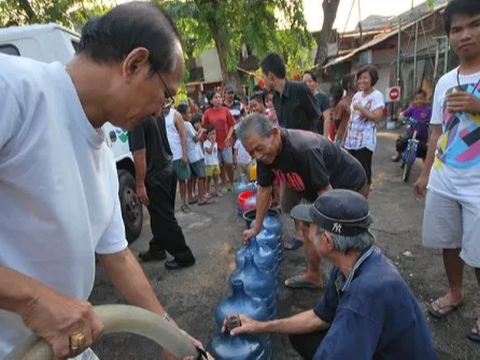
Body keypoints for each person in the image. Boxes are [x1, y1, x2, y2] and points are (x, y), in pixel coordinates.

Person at [0, 3, 202, 360]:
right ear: (135, 64)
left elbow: (118, 256)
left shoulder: (104, 159)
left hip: (65, 348)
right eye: (166, 94)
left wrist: (168, 331)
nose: (160, 110)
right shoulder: (13, 89)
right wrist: (32, 300)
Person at [225, 190, 437, 360]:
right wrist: (259, 326)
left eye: (309, 226)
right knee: (303, 337)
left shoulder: (364, 294)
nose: (304, 230)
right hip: (376, 343)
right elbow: (319, 318)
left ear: (327, 240)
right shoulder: (352, 262)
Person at [413, 0, 480, 343]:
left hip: (478, 184)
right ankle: (455, 292)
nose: (465, 35)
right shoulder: (443, 81)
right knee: (448, 242)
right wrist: (425, 175)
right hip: (444, 175)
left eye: (474, 25)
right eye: (457, 29)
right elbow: (436, 132)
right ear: (449, 37)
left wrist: (477, 106)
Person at [237, 114, 367, 289]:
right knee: (308, 228)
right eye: (251, 152)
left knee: (341, 236)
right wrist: (256, 228)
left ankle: (356, 282)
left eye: (258, 149)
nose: (257, 156)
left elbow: (327, 196)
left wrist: (328, 229)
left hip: (347, 184)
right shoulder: (265, 156)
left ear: (274, 133)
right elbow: (264, 189)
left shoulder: (303, 149)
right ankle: (314, 276)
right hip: (319, 188)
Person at [260, 52, 321, 250]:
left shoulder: (300, 90)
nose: (262, 80)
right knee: (291, 201)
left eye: (263, 75)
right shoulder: (276, 98)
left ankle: (316, 238)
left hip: (306, 153)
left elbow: (316, 116)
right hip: (288, 156)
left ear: (270, 75)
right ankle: (299, 235)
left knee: (312, 199)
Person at [130, 108, 196, 271]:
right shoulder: (155, 113)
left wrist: (139, 184)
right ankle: (157, 247)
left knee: (164, 218)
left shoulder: (135, 119)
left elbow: (139, 153)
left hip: (156, 176)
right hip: (167, 170)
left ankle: (184, 255)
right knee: (160, 216)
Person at [343, 65, 385, 198]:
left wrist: (361, 108)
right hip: (351, 141)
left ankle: (362, 202)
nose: (362, 81)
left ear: (372, 79)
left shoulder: (376, 95)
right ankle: (353, 197)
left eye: (365, 78)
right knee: (351, 170)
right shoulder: (356, 96)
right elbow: (351, 120)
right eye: (359, 78)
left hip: (365, 142)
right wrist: (344, 139)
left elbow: (377, 118)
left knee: (364, 172)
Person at [178, 106, 211, 207]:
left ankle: (191, 197)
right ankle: (202, 197)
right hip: (195, 155)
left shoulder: (179, 124)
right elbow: (196, 138)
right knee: (201, 176)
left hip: (189, 155)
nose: (190, 115)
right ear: (183, 114)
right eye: (188, 113)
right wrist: (201, 131)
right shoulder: (187, 124)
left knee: (192, 176)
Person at [203, 91, 236, 192]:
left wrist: (229, 136)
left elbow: (232, 125)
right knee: (220, 164)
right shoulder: (207, 113)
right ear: (211, 101)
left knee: (229, 163)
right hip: (214, 144)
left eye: (219, 97)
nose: (219, 99)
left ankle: (231, 182)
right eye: (216, 97)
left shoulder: (225, 110)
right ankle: (225, 183)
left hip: (226, 141)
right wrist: (209, 140)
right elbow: (205, 128)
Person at [392, 90, 431, 162]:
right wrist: (401, 116)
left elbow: (433, 120)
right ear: (414, 100)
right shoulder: (412, 109)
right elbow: (403, 114)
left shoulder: (428, 110)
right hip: (411, 133)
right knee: (401, 141)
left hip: (423, 136)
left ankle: (426, 167)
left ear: (425, 99)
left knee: (425, 150)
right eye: (416, 99)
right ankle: (399, 154)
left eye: (421, 98)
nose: (419, 101)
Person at [165, 106, 191, 213]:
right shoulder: (156, 115)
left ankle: (184, 203)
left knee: (182, 180)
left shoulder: (176, 115)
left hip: (177, 154)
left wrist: (184, 154)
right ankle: (169, 206)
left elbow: (183, 134)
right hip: (165, 156)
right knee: (168, 183)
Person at [302, 70, 332, 138]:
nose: (307, 84)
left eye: (310, 81)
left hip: (318, 136)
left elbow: (327, 119)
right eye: (304, 82)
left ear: (316, 83)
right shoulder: (301, 98)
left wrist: (325, 137)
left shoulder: (322, 98)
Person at [332, 74, 356, 146]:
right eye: (355, 80)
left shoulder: (358, 100)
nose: (359, 82)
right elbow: (336, 121)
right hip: (342, 138)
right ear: (349, 85)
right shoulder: (343, 103)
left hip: (355, 138)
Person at [204, 125, 222, 197]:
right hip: (209, 164)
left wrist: (218, 161)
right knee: (208, 179)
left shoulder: (216, 143)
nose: (213, 135)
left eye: (214, 133)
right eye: (211, 134)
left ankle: (216, 191)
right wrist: (211, 143)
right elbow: (209, 151)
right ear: (207, 135)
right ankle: (207, 192)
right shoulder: (205, 143)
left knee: (216, 178)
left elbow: (215, 153)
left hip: (215, 163)